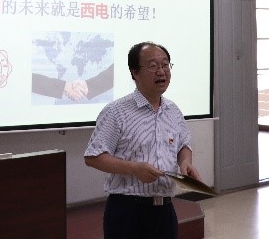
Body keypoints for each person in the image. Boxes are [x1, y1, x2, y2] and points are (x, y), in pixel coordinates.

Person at [84, 41, 202, 239]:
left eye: (165, 65)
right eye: (153, 66)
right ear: (134, 73)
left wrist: (185, 163)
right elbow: (93, 157)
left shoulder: (173, 111)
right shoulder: (116, 112)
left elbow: (183, 145)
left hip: (165, 210)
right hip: (128, 212)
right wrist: (134, 169)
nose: (161, 72)